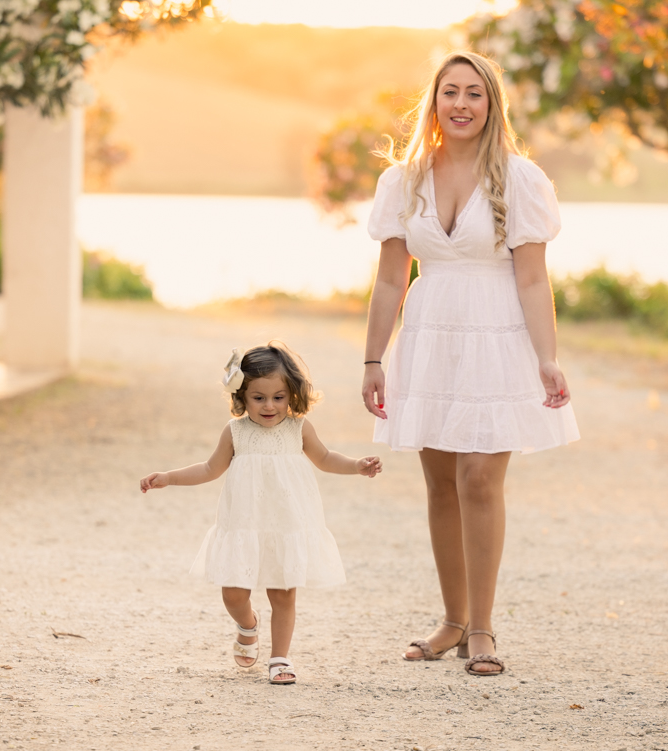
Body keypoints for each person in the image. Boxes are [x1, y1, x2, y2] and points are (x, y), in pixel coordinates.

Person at [361, 51, 579, 677]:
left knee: (480, 478)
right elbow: (388, 281)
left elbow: (534, 281)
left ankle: (481, 628)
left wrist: (547, 359)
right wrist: (374, 359)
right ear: (432, 101)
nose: (461, 103)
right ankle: (452, 621)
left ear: (492, 105)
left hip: (497, 336)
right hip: (430, 335)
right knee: (439, 483)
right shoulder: (402, 181)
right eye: (450, 91)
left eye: (474, 93)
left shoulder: (521, 179)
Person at [141, 342, 382, 685]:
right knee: (233, 593)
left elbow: (326, 459)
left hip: (286, 525)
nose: (269, 406)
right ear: (241, 396)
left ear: (292, 395)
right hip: (244, 524)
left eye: (278, 397)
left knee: (283, 593)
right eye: (259, 398)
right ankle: (247, 625)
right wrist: (169, 478)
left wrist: (357, 466)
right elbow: (210, 468)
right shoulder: (236, 431)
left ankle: (280, 659)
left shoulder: (299, 428)